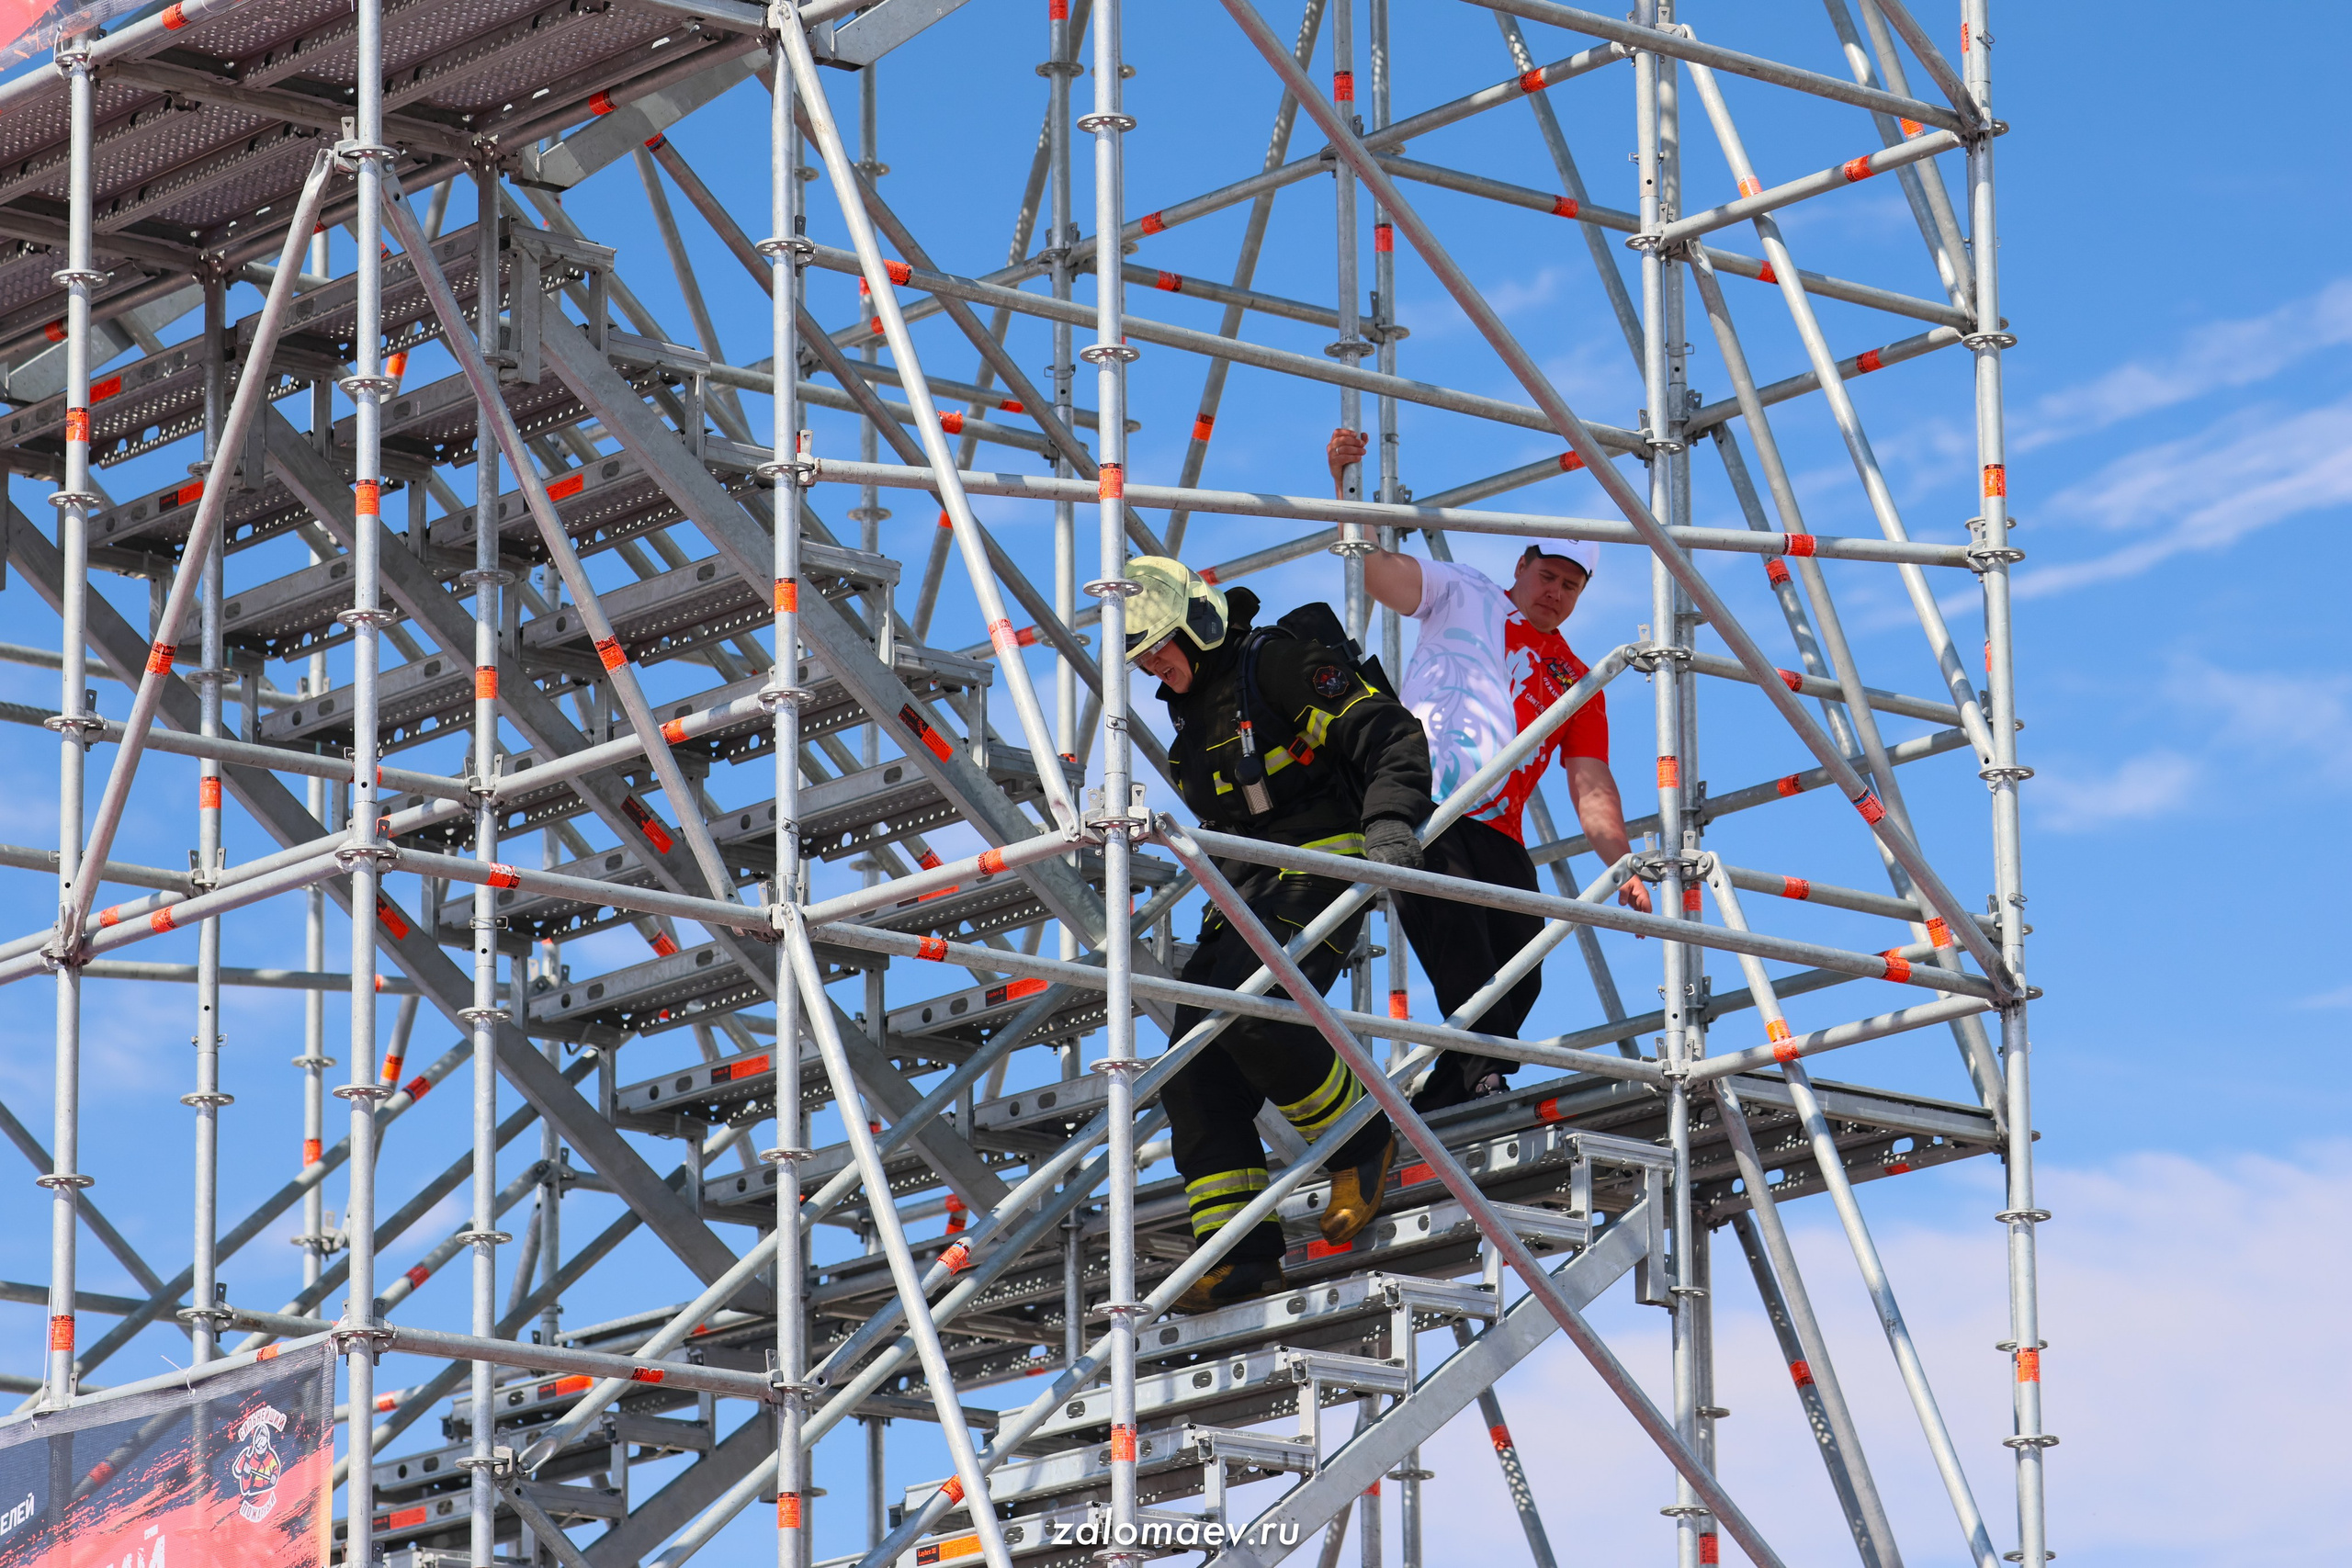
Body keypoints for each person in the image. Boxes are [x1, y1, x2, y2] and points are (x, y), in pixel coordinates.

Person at [1126, 556, 1436, 1311]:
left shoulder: (1281, 663)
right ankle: (1236, 1248)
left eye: (1162, 647)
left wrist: (1392, 821)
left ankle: (1362, 1139)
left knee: (1252, 1002)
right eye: (1143, 660)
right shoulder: (1192, 711)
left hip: (1321, 863)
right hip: (1247, 887)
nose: (1157, 669)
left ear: (1197, 626)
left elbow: (1388, 732)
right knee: (1191, 1053)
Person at [1328, 429, 1652, 1114]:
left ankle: (1442, 1102)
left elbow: (1590, 781)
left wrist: (1621, 861)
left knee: (1521, 969)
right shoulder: (1465, 591)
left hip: (1498, 828)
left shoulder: (1577, 676)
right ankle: (1481, 1081)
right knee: (1460, 945)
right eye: (1548, 576)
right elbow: (1380, 575)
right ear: (1522, 564)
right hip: (1427, 800)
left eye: (1571, 585)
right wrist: (1346, 492)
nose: (1556, 593)